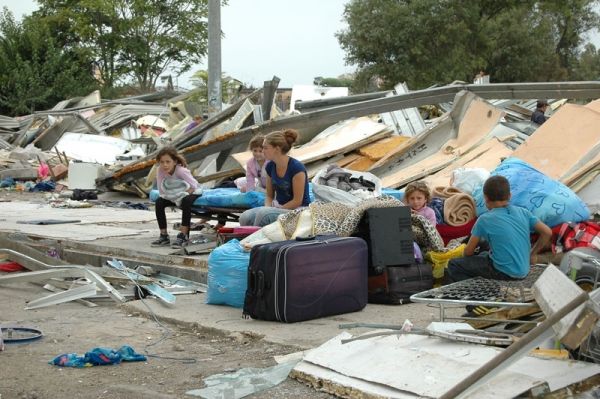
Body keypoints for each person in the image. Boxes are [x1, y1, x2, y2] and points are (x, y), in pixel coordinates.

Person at [445, 175, 552, 284]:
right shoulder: (523, 212)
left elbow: (468, 252)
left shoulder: (484, 219)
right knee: (484, 254)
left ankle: (477, 294)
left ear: (485, 198)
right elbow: (547, 232)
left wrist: (460, 252)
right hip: (524, 270)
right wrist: (532, 253)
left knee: (454, 265)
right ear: (509, 196)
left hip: (503, 272)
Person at [239, 129, 310, 227]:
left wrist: (273, 210)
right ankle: (245, 238)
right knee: (245, 216)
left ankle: (254, 240)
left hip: (298, 209)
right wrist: (268, 208)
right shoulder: (270, 166)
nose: (262, 151)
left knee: (263, 215)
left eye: (265, 148)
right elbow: (269, 196)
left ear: (277, 149)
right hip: (277, 207)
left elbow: (297, 201)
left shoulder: (297, 168)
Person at [151, 147, 201, 248]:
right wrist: (173, 196)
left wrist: (182, 195)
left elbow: (194, 185)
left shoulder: (181, 171)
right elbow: (162, 190)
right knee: (159, 202)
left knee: (186, 201)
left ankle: (183, 235)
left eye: (168, 162)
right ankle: (164, 235)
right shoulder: (160, 170)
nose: (165, 165)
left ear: (175, 161)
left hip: (191, 191)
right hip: (174, 192)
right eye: (162, 162)